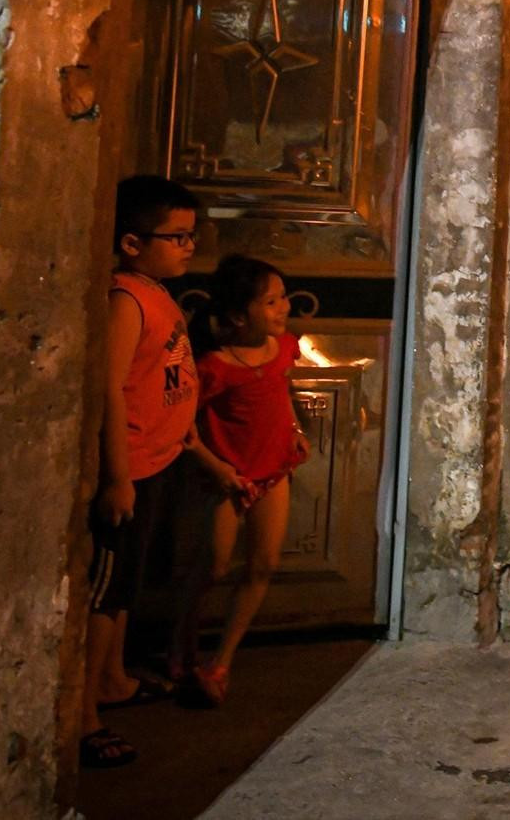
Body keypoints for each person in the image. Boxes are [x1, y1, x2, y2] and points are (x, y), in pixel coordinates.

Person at [83, 177, 247, 768]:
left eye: (191, 235)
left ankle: (114, 679)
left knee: (126, 585)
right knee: (106, 591)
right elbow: (110, 385)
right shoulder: (125, 298)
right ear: (131, 241)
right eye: (176, 236)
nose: (187, 246)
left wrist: (196, 450)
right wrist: (117, 476)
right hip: (132, 464)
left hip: (159, 458)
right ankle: (83, 715)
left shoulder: (156, 292)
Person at [172, 256, 308, 706]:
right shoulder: (215, 366)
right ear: (237, 315)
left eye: (283, 297)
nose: (283, 307)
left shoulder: (284, 347)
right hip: (227, 479)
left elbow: (280, 395)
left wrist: (294, 432)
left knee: (264, 564)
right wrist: (220, 470)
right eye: (271, 301)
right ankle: (182, 648)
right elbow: (183, 428)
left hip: (272, 473)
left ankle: (221, 660)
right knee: (214, 566)